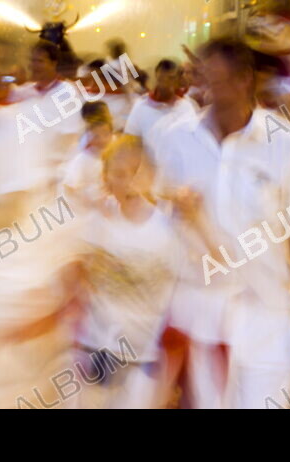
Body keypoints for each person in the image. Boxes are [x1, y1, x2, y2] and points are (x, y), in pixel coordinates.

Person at [153, 37, 290, 409]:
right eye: (202, 80)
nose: (206, 92)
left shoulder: (286, 146)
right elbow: (160, 219)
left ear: (244, 80)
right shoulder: (175, 140)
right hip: (198, 312)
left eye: (217, 82)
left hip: (268, 314)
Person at [76, 135, 181, 408]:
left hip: (142, 357)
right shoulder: (96, 221)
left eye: (137, 172)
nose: (129, 182)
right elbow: (79, 275)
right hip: (95, 348)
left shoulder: (167, 229)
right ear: (106, 179)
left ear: (152, 174)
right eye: (119, 174)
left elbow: (179, 302)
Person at [124, 59, 197, 160]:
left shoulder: (186, 107)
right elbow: (131, 140)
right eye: (160, 79)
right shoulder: (141, 106)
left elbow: (192, 144)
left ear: (178, 80)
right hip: (148, 169)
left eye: (170, 79)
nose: (164, 85)